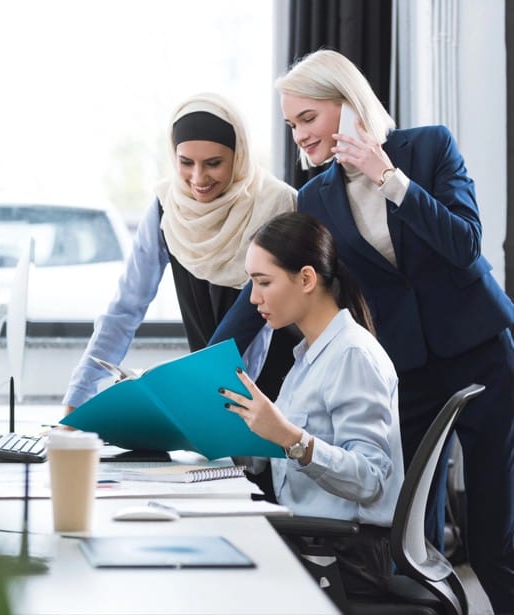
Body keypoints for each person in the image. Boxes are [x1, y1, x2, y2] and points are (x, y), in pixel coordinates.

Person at [212, 48, 514, 611]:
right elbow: (269, 285)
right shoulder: (316, 197)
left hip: (481, 351)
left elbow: (464, 245)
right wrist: (206, 361)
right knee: (410, 536)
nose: (299, 136)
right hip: (409, 367)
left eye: (308, 118)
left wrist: (388, 177)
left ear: (348, 106)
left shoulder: (428, 148)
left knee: (492, 536)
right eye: (291, 124)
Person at [63, 92, 298, 416]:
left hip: (278, 395)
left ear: (239, 156)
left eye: (213, 163)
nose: (198, 179)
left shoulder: (277, 205)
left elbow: (261, 321)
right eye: (186, 163)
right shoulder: (167, 208)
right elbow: (125, 308)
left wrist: (208, 394)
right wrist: (79, 398)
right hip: (210, 391)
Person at [219, 211, 403, 600]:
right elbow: (287, 452)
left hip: (342, 556)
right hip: (311, 540)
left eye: (263, 282)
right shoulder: (308, 356)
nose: (253, 298)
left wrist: (288, 437)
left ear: (306, 278)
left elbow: (370, 478)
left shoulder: (352, 356)